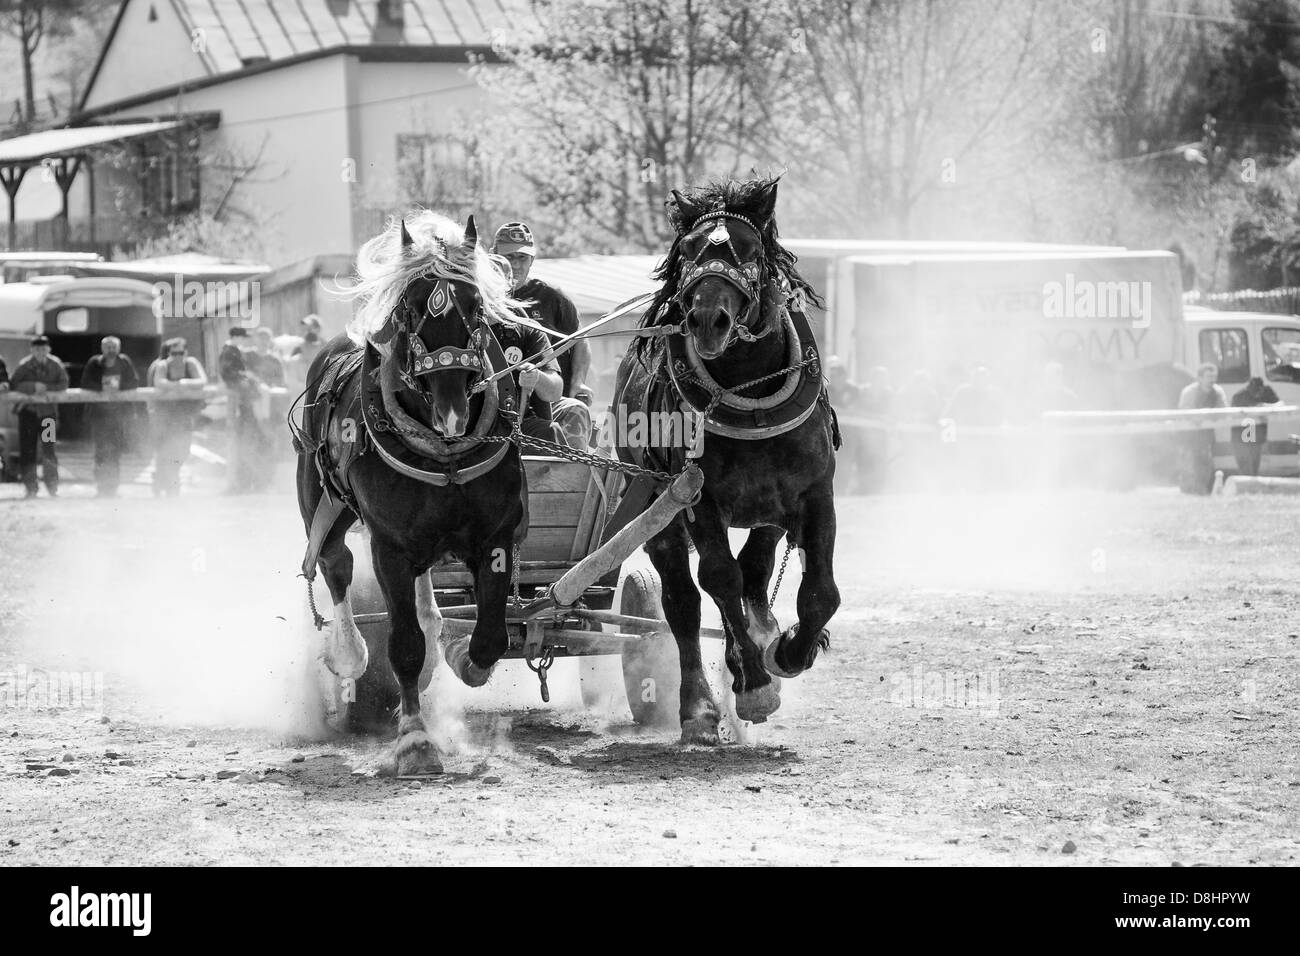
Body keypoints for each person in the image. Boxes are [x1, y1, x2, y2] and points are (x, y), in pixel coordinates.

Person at [492, 221, 592, 449]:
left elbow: (579, 338)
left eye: (522, 258)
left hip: (546, 397)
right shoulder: (479, 300)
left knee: (577, 410)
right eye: (509, 257)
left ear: (532, 260)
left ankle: (571, 479)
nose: (515, 265)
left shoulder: (552, 298)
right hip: (493, 403)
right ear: (495, 258)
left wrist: (578, 383)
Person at [485, 254, 566, 444]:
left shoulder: (527, 330)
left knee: (550, 432)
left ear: (508, 286)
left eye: (494, 284)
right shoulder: (459, 329)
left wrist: (537, 377)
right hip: (468, 428)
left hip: (517, 425)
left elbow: (554, 391)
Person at [9, 335, 69, 498]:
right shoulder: (24, 366)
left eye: (43, 349)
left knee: (49, 449)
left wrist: (46, 387)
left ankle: (52, 487)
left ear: (48, 349)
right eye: (37, 349)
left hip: (47, 415)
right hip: (28, 413)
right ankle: (31, 488)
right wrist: (32, 386)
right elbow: (13, 384)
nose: (40, 352)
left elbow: (63, 384)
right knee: (28, 450)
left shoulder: (56, 365)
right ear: (32, 350)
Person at [148, 337, 207, 496]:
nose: (178, 356)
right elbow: (158, 383)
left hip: (183, 416)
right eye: (174, 352)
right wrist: (177, 386)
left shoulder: (191, 363)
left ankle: (163, 482)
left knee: (182, 451)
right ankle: (168, 486)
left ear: (186, 352)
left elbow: (202, 381)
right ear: (168, 353)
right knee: (165, 452)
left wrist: (184, 383)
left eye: (181, 352)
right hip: (163, 416)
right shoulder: (161, 366)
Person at [219, 326, 274, 493]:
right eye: (243, 337)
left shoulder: (233, 350)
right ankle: (261, 416)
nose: (245, 340)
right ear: (237, 337)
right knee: (241, 446)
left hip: (240, 396)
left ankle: (243, 483)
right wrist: (249, 381)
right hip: (237, 397)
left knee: (245, 445)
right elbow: (230, 374)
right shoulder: (230, 350)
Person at [1177, 362, 1228, 494]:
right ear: (1199, 378)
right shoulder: (1189, 392)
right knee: (1189, 463)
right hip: (1188, 435)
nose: (1212, 380)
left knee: (1206, 463)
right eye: (1208, 376)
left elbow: (1222, 409)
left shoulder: (1217, 392)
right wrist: (1198, 417)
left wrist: (1206, 416)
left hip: (1206, 435)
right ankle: (1187, 491)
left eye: (1214, 376)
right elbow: (1185, 410)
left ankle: (1202, 490)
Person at [1230, 375, 1280, 477]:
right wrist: (1258, 412)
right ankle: (1245, 488)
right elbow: (1237, 416)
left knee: (1255, 466)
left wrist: (1264, 407)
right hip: (1241, 436)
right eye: (1255, 392)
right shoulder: (1239, 395)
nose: (1257, 395)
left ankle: (1251, 488)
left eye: (1259, 392)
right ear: (1249, 388)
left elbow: (1280, 404)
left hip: (1258, 435)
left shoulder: (1267, 391)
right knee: (1246, 468)